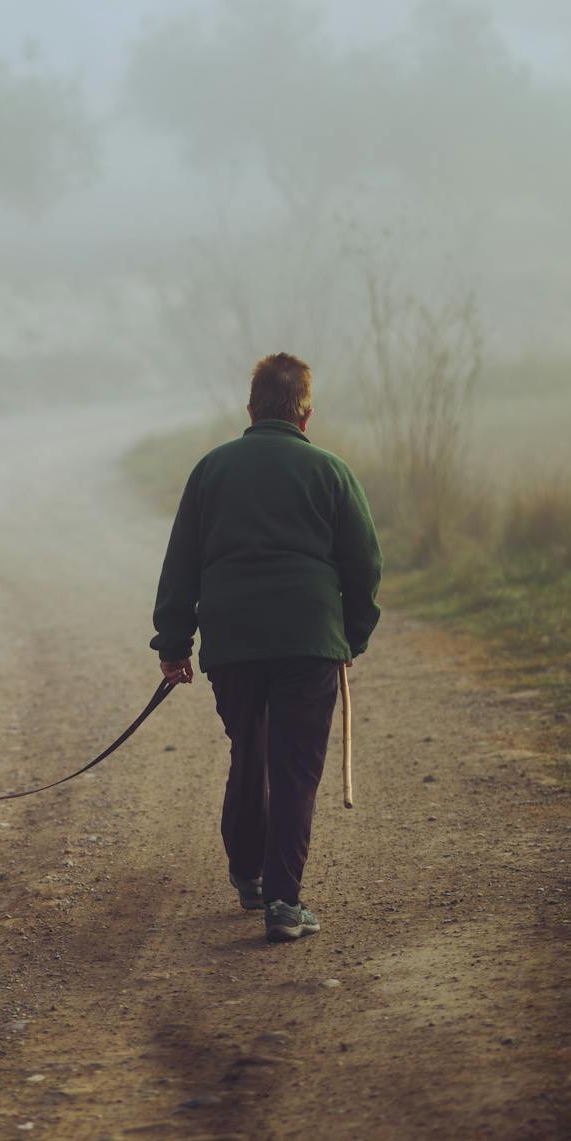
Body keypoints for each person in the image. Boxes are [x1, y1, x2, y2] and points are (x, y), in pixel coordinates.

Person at [150, 352, 382, 943]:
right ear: (306, 415)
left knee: (250, 752)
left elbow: (181, 564)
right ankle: (284, 901)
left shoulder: (212, 470)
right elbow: (365, 565)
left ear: (251, 409)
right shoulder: (331, 472)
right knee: (296, 767)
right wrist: (349, 636)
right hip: (309, 642)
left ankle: (247, 873)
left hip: (233, 644)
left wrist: (175, 643)